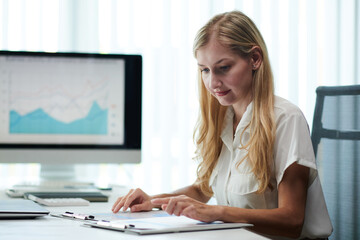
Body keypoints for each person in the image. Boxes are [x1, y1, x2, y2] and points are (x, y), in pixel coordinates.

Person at [112, 10, 332, 240]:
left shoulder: (286, 119)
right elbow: (202, 190)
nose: (212, 82)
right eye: (204, 70)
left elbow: (292, 221)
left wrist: (216, 212)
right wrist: (154, 201)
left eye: (223, 68)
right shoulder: (222, 118)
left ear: (255, 59)